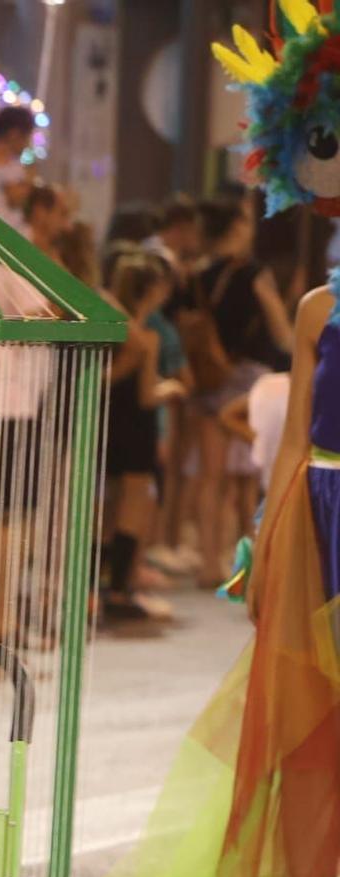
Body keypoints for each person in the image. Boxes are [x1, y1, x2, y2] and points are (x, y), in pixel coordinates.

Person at [85, 10, 340, 877]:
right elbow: (296, 440)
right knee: (309, 718)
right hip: (323, 515)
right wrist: (273, 532)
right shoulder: (319, 308)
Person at [192, 194, 293, 585]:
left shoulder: (199, 275)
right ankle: (248, 565)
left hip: (209, 378)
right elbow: (283, 335)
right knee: (248, 480)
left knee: (210, 477)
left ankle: (208, 564)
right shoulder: (255, 275)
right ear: (237, 226)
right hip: (249, 381)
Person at [99, 249, 188, 624]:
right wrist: (172, 389)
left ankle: (96, 590)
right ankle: (120, 590)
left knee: (104, 511)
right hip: (137, 427)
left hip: (108, 423)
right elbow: (147, 393)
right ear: (150, 288)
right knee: (133, 510)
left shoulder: (110, 326)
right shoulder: (146, 336)